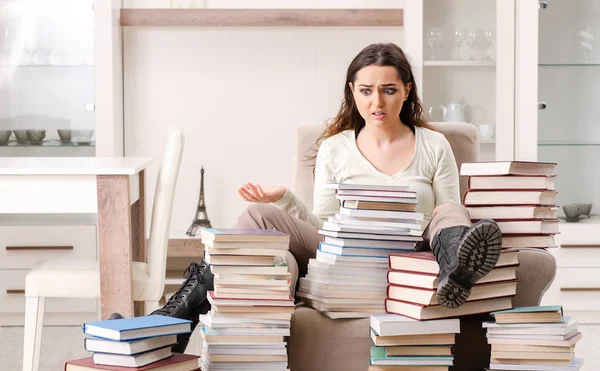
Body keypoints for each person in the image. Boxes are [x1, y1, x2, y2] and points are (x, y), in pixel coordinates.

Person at [112, 42, 502, 353]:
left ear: (407, 91)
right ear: (353, 91)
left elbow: (446, 212)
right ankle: (175, 319)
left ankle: (458, 271)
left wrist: (438, 235)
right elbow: (320, 224)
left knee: (451, 209)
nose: (376, 103)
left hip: (412, 252)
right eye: (366, 91)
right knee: (258, 212)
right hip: (344, 251)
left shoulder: (434, 144)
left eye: (388, 90)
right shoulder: (335, 148)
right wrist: (284, 199)